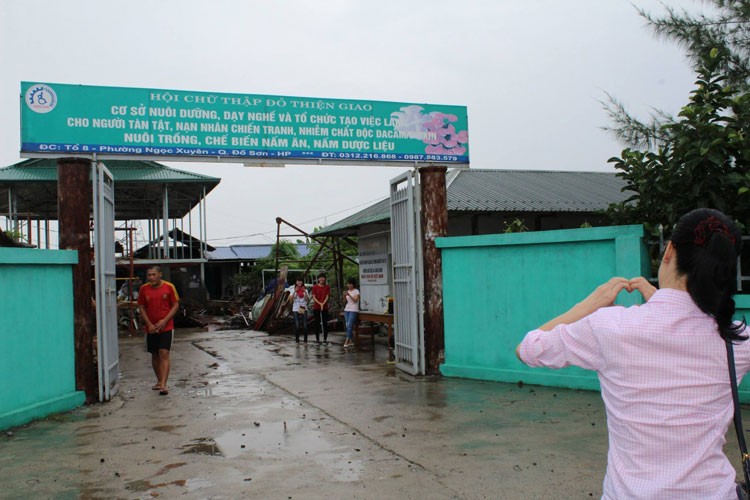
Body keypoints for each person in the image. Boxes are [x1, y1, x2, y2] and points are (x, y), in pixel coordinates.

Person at [516, 208, 749, 499]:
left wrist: (589, 305)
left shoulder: (609, 328)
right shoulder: (737, 339)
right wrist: (666, 305)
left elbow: (529, 348)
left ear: (669, 251)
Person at [137, 266, 180, 396]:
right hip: (151, 328)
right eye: (149, 275)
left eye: (153, 274)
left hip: (166, 326)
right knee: (155, 354)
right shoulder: (143, 289)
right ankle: (159, 380)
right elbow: (141, 306)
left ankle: (163, 385)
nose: (151, 277)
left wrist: (165, 321)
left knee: (164, 352)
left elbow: (175, 305)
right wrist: (149, 324)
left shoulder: (169, 287)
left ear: (160, 274)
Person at [287, 278, 310, 344]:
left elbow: (307, 300)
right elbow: (291, 300)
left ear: (302, 282)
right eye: (298, 281)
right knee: (297, 325)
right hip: (296, 308)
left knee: (305, 325)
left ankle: (305, 341)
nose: (299, 282)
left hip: (303, 308)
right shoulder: (293, 289)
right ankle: (297, 340)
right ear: (296, 282)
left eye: (301, 281)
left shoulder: (305, 290)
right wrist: (295, 291)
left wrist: (304, 292)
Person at [311, 273, 331, 345]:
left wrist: (323, 303)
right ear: (318, 279)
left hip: (325, 307)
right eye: (320, 278)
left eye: (323, 278)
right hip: (316, 307)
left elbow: (327, 296)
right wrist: (320, 303)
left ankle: (325, 339)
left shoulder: (327, 287)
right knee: (317, 323)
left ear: (325, 279)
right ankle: (317, 339)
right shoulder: (315, 287)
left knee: (325, 323)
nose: (322, 279)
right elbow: (314, 297)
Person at [342, 278, 360, 348]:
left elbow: (355, 300)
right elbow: (344, 302)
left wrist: (349, 295)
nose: (349, 285)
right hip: (347, 309)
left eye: (351, 284)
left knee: (350, 325)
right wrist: (344, 296)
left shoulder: (356, 291)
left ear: (353, 284)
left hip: (354, 309)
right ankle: (351, 341)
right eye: (348, 284)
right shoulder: (347, 291)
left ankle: (346, 341)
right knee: (347, 325)